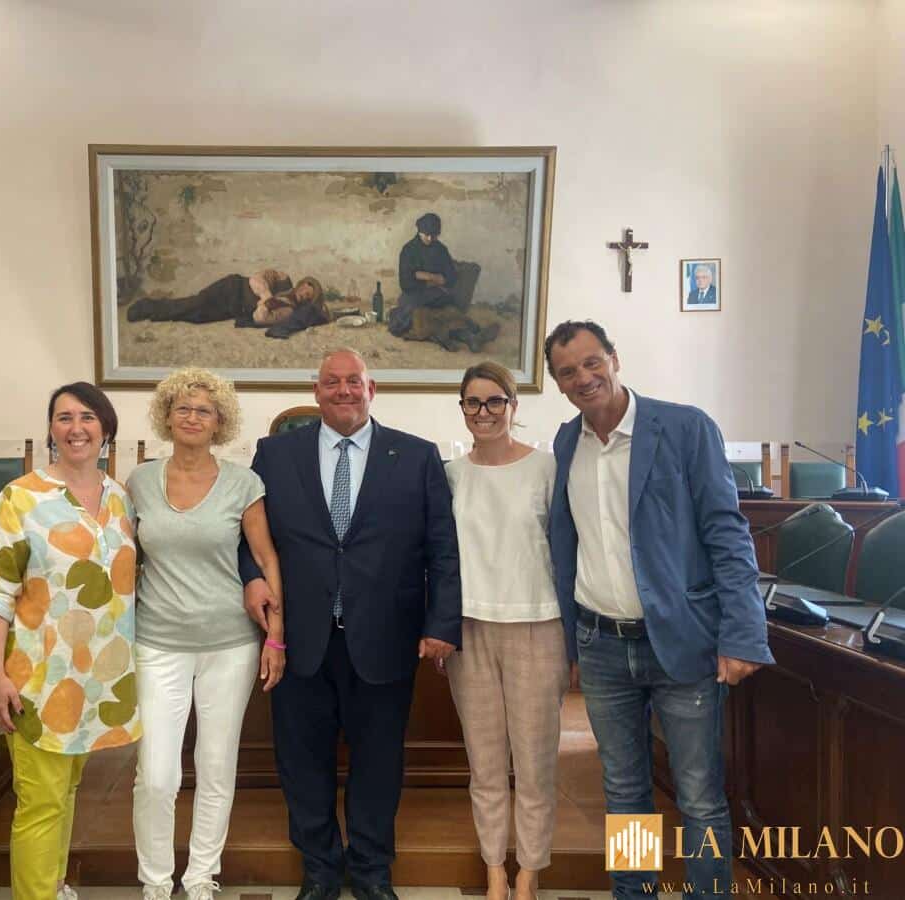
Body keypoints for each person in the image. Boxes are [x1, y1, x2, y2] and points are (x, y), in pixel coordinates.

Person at [543, 320, 774, 900]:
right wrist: (571, 646)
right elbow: (568, 546)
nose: (583, 378)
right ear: (557, 383)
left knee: (699, 795)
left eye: (592, 362)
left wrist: (742, 633)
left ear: (614, 359)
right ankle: (635, 892)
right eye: (568, 372)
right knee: (624, 792)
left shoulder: (685, 427)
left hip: (682, 639)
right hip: (601, 646)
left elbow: (727, 533)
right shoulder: (567, 443)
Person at [239, 348, 461, 900]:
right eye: (332, 382)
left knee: (379, 761)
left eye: (354, 381)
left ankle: (370, 869)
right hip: (299, 636)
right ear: (316, 391)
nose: (344, 390)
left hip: (386, 635)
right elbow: (248, 535)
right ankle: (319, 868)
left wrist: (441, 622)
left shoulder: (416, 456)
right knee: (302, 760)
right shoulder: (274, 454)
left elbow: (443, 549)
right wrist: (252, 578)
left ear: (372, 389)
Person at [0, 381, 140, 900]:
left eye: (88, 417)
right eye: (64, 417)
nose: (76, 428)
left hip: (94, 679)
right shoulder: (20, 498)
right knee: (41, 802)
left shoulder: (120, 497)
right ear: (50, 429)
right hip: (37, 679)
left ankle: (51, 885)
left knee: (65, 791)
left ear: (106, 429)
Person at [128, 367, 285, 900]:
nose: (193, 417)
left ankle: (200, 877)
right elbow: (123, 557)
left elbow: (266, 559)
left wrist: (276, 635)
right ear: (167, 416)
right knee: (156, 774)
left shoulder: (244, 483)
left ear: (220, 422)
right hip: (157, 641)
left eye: (205, 410)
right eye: (183, 408)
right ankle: (155, 881)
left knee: (216, 766)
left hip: (229, 644)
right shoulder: (139, 481)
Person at [443, 361, 568, 900]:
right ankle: (494, 866)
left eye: (495, 401)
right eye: (473, 402)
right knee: (486, 762)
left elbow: (566, 547)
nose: (484, 412)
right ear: (463, 409)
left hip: (537, 625)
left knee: (535, 762)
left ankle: (529, 871)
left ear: (514, 406)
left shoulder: (546, 468)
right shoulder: (451, 474)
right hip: (470, 629)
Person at [126, 269, 325, 327]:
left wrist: (264, 306)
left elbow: (260, 318)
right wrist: (266, 296)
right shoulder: (282, 278)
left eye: (308, 296)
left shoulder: (288, 310)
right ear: (301, 283)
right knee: (193, 303)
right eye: (305, 289)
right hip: (231, 287)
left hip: (233, 308)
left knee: (195, 317)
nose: (303, 294)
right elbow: (257, 278)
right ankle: (146, 307)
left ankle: (156, 315)